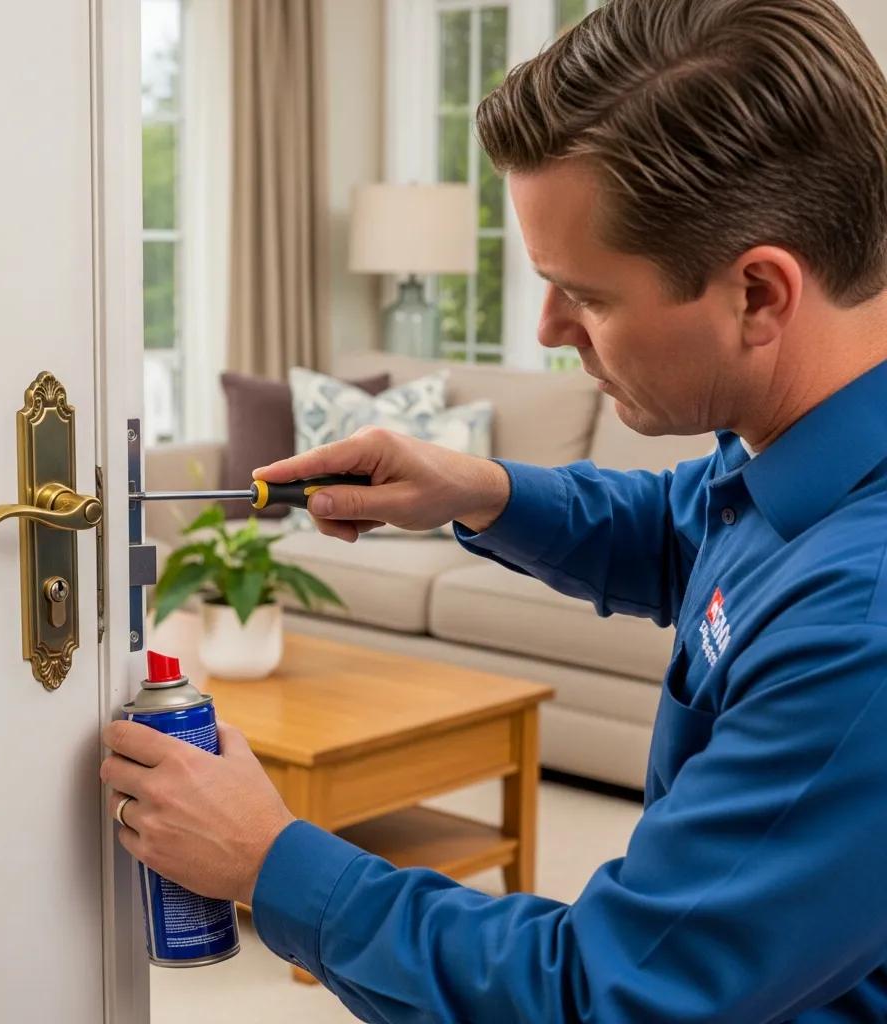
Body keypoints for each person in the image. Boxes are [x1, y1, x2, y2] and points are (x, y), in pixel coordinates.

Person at [100, 0, 887, 1019]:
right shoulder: (799, 449)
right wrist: (477, 489)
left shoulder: (860, 630)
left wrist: (266, 858)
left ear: (761, 295)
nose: (551, 329)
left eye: (586, 295)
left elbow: (598, 997)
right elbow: (682, 530)